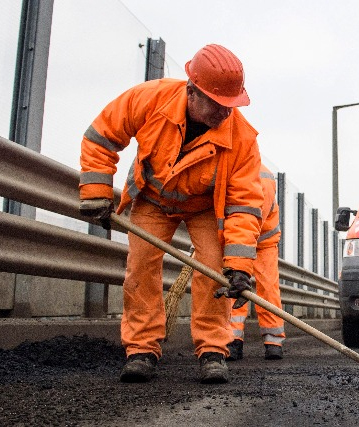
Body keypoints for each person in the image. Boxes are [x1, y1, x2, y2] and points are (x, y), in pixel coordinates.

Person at [78, 44, 264, 384]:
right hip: (154, 199)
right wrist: (96, 192)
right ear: (191, 91)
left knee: (213, 271)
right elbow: (100, 137)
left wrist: (238, 267)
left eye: (231, 105)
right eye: (218, 104)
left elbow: (244, 205)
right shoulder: (149, 99)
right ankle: (141, 350)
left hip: (205, 207)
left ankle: (212, 351)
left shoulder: (242, 139)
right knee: (141, 266)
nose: (225, 113)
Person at [226, 164, 286, 361]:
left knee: (266, 288)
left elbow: (252, 214)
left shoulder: (259, 175)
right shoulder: (232, 167)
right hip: (241, 236)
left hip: (262, 240)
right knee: (235, 285)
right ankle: (233, 340)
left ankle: (273, 341)